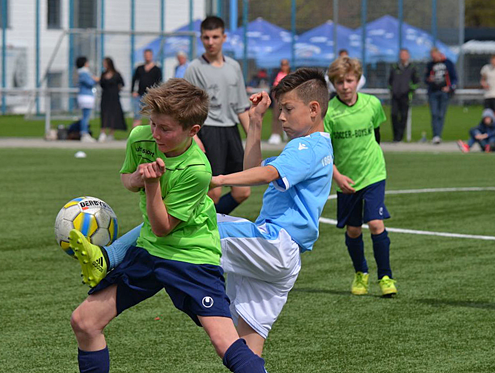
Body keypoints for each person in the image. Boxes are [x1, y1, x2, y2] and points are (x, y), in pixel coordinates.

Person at [73, 68, 334, 357]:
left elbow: (268, 173)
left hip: (274, 242)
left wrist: (219, 179)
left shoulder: (305, 146)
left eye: (287, 109)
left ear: (313, 109)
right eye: (280, 109)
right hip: (284, 261)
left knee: (198, 223)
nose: (281, 116)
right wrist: (256, 120)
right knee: (247, 346)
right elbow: (253, 169)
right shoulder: (317, 144)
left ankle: (109, 256)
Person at [67, 78, 267, 373]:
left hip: (191, 257)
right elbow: (127, 178)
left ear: (192, 131)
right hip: (149, 250)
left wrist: (152, 185)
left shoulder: (197, 170)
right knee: (84, 322)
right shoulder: (141, 136)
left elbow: (163, 226)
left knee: (224, 341)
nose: (156, 134)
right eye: (154, 124)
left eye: (166, 129)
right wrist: (138, 178)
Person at [324, 56, 398, 297]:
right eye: (339, 82)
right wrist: (337, 176)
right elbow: (325, 151)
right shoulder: (329, 112)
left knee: (376, 224)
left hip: (374, 173)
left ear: (357, 80)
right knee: (354, 230)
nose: (345, 86)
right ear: (333, 84)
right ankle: (360, 273)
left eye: (349, 80)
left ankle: (386, 276)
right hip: (346, 179)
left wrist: (373, 162)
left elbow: (376, 136)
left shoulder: (372, 104)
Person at [184, 16, 251, 215]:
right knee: (212, 193)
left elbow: (241, 107)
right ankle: (204, 232)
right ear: (201, 39)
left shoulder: (234, 67)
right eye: (206, 38)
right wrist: (194, 137)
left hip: (232, 132)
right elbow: (186, 109)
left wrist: (253, 137)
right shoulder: (194, 68)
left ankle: (211, 223)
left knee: (242, 191)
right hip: (208, 132)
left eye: (215, 37)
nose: (210, 42)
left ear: (224, 37)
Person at [425, 47, 458, 144]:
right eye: (432, 57)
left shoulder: (448, 63)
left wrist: (450, 87)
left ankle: (438, 134)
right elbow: (425, 78)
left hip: (444, 92)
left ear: (439, 54)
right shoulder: (430, 64)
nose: (434, 58)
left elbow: (454, 78)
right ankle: (436, 135)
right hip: (433, 92)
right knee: (434, 114)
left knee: (441, 114)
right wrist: (429, 80)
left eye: (435, 56)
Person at [388, 48, 420, 142]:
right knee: (393, 115)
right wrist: (392, 89)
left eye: (404, 54)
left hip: (405, 96)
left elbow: (417, 81)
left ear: (408, 56)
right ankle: (395, 136)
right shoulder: (394, 67)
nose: (403, 56)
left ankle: (400, 136)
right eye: (401, 54)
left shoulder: (412, 68)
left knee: (403, 116)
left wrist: (410, 89)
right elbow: (390, 80)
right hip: (395, 95)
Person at [131, 49, 162, 127]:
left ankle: (150, 135)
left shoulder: (157, 69)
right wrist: (133, 91)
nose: (147, 57)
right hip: (140, 94)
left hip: (151, 96)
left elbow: (159, 83)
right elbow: (134, 79)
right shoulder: (139, 68)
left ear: (152, 56)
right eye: (146, 55)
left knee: (152, 117)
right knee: (137, 116)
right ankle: (136, 136)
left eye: (149, 55)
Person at [99, 57, 126, 142]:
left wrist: (117, 90)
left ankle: (111, 133)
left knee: (113, 115)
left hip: (114, 97)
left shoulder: (116, 74)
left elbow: (122, 84)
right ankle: (102, 133)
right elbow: (101, 84)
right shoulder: (103, 74)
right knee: (104, 114)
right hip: (105, 97)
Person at [76, 56, 100, 143]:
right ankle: (84, 133)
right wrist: (95, 79)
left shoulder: (83, 73)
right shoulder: (83, 73)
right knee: (85, 116)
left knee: (86, 116)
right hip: (85, 96)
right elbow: (90, 83)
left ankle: (85, 133)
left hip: (86, 96)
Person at [268, 59, 291, 145]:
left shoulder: (290, 75)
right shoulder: (276, 74)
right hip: (277, 99)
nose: (284, 66)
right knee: (276, 116)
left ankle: (286, 134)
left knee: (287, 117)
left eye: (285, 64)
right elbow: (273, 86)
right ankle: (275, 134)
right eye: (282, 64)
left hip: (288, 99)